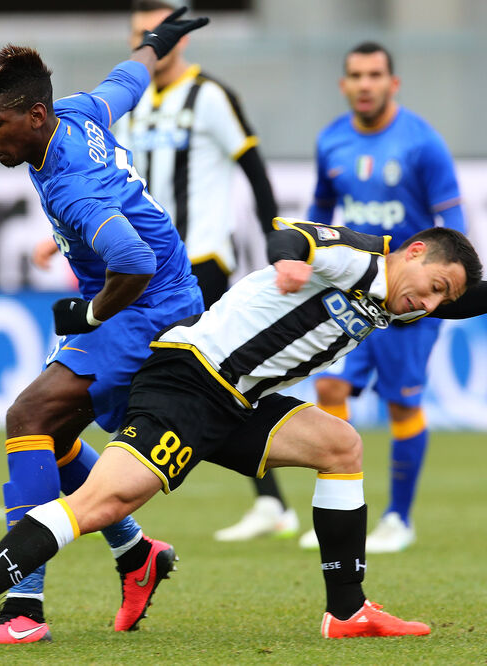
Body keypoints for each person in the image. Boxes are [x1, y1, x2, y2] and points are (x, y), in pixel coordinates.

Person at [0, 218, 487, 645]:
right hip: (190, 380)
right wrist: (289, 258)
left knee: (342, 447)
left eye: (439, 301)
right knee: (103, 503)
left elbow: (463, 303)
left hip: (240, 400)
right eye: (432, 286)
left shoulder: (399, 298)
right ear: (416, 251)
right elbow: (302, 234)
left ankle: (347, 610)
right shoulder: (365, 260)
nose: (427, 304)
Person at [0, 9, 209, 646]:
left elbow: (132, 259)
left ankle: (24, 613)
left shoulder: (75, 183)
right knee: (46, 438)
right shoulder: (79, 113)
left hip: (150, 309)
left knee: (29, 418)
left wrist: (93, 313)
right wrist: (156, 42)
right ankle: (137, 557)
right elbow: (127, 80)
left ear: (35, 118)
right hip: (151, 298)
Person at [116, 0, 296, 542]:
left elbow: (255, 170)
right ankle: (267, 500)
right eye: (141, 34)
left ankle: (268, 500)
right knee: (151, 380)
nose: (149, 41)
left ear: (182, 38)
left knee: (212, 380)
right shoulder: (130, 103)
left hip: (201, 261)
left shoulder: (210, 96)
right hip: (144, 266)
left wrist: (278, 241)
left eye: (158, 32)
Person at [290, 41, 467, 553]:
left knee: (401, 405)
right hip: (353, 293)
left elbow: (453, 225)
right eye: (356, 75)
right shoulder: (331, 141)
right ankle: (343, 507)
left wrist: (443, 286)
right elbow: (321, 206)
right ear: (344, 84)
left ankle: (398, 518)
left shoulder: (422, 144)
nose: (365, 84)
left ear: (393, 83)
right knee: (329, 392)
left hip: (410, 300)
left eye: (374, 75)